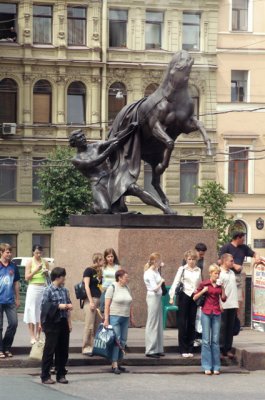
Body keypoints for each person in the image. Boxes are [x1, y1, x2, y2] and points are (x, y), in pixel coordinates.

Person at [40, 267, 73, 385]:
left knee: (63, 349)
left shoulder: (65, 290)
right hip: (52, 323)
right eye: (63, 276)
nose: (65, 278)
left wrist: (70, 321)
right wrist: (60, 306)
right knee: (50, 349)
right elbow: (45, 307)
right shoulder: (48, 290)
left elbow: (69, 304)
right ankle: (45, 375)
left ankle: (61, 374)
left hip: (63, 321)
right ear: (58, 277)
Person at [193, 264, 226, 375]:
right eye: (216, 273)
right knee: (206, 340)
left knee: (215, 341)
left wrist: (223, 288)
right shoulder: (204, 284)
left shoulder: (219, 285)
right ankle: (207, 366)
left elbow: (224, 299)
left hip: (216, 312)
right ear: (211, 273)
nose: (217, 275)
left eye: (218, 273)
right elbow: (195, 297)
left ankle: (216, 366)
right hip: (206, 312)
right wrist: (203, 291)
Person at [169, 249, 201, 357]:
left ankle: (190, 348)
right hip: (184, 295)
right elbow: (176, 282)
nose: (191, 261)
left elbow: (200, 283)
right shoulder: (182, 269)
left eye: (193, 259)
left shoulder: (198, 270)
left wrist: (200, 293)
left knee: (192, 322)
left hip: (194, 296)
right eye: (189, 259)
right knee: (182, 322)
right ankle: (182, 349)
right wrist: (171, 296)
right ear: (186, 259)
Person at [103, 269, 134, 374]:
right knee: (117, 340)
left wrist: (131, 316)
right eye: (126, 277)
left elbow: (130, 303)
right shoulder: (112, 287)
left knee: (123, 340)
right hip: (115, 316)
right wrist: (106, 319)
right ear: (119, 278)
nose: (127, 279)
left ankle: (119, 363)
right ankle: (114, 364)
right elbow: (107, 305)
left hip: (125, 317)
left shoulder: (127, 288)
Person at [219, 232, 259, 308]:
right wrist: (234, 265)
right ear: (238, 238)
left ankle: (236, 318)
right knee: (228, 299)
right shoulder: (226, 247)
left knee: (238, 301)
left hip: (238, 277)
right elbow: (219, 261)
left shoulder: (244, 247)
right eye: (243, 239)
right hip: (228, 276)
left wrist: (257, 257)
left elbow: (254, 253)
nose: (244, 241)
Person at [24, 245, 50, 344]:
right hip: (33, 288)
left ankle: (38, 334)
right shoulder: (30, 262)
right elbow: (27, 278)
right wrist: (36, 270)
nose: (38, 255)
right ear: (33, 252)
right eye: (36, 253)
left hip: (43, 287)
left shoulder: (45, 262)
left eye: (40, 253)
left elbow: (48, 278)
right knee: (31, 310)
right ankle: (32, 336)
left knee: (41, 311)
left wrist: (46, 273)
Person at [0, 243, 20, 359]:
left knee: (13, 323)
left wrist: (17, 298)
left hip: (10, 300)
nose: (9, 254)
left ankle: (7, 347)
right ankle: (0, 349)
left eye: (10, 252)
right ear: (1, 252)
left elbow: (16, 283)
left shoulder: (13, 266)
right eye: (7, 252)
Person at [143, 252, 165, 359]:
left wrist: (159, 268)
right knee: (152, 322)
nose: (161, 262)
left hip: (158, 297)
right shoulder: (149, 273)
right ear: (154, 261)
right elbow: (154, 288)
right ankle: (150, 349)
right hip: (153, 297)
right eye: (159, 261)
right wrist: (161, 281)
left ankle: (158, 348)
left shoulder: (155, 271)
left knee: (159, 322)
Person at [82, 253, 103, 355]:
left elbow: (100, 286)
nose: (103, 262)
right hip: (91, 299)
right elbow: (86, 286)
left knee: (97, 325)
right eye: (101, 260)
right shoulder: (88, 270)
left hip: (99, 299)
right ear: (97, 260)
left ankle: (95, 346)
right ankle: (87, 347)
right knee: (89, 325)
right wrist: (90, 301)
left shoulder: (100, 272)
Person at [218, 253, 238, 360]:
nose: (233, 262)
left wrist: (237, 304)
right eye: (231, 261)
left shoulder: (232, 273)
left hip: (232, 304)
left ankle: (228, 349)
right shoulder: (219, 273)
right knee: (222, 328)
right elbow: (217, 291)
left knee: (230, 328)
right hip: (223, 305)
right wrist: (219, 303)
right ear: (225, 261)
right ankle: (221, 349)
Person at [100, 248, 120, 313]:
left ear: (114, 257)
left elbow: (120, 279)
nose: (110, 258)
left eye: (112, 256)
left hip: (115, 291)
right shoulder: (103, 268)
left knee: (114, 310)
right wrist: (101, 289)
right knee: (104, 310)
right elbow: (99, 281)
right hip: (106, 291)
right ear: (105, 258)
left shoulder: (118, 267)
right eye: (108, 257)